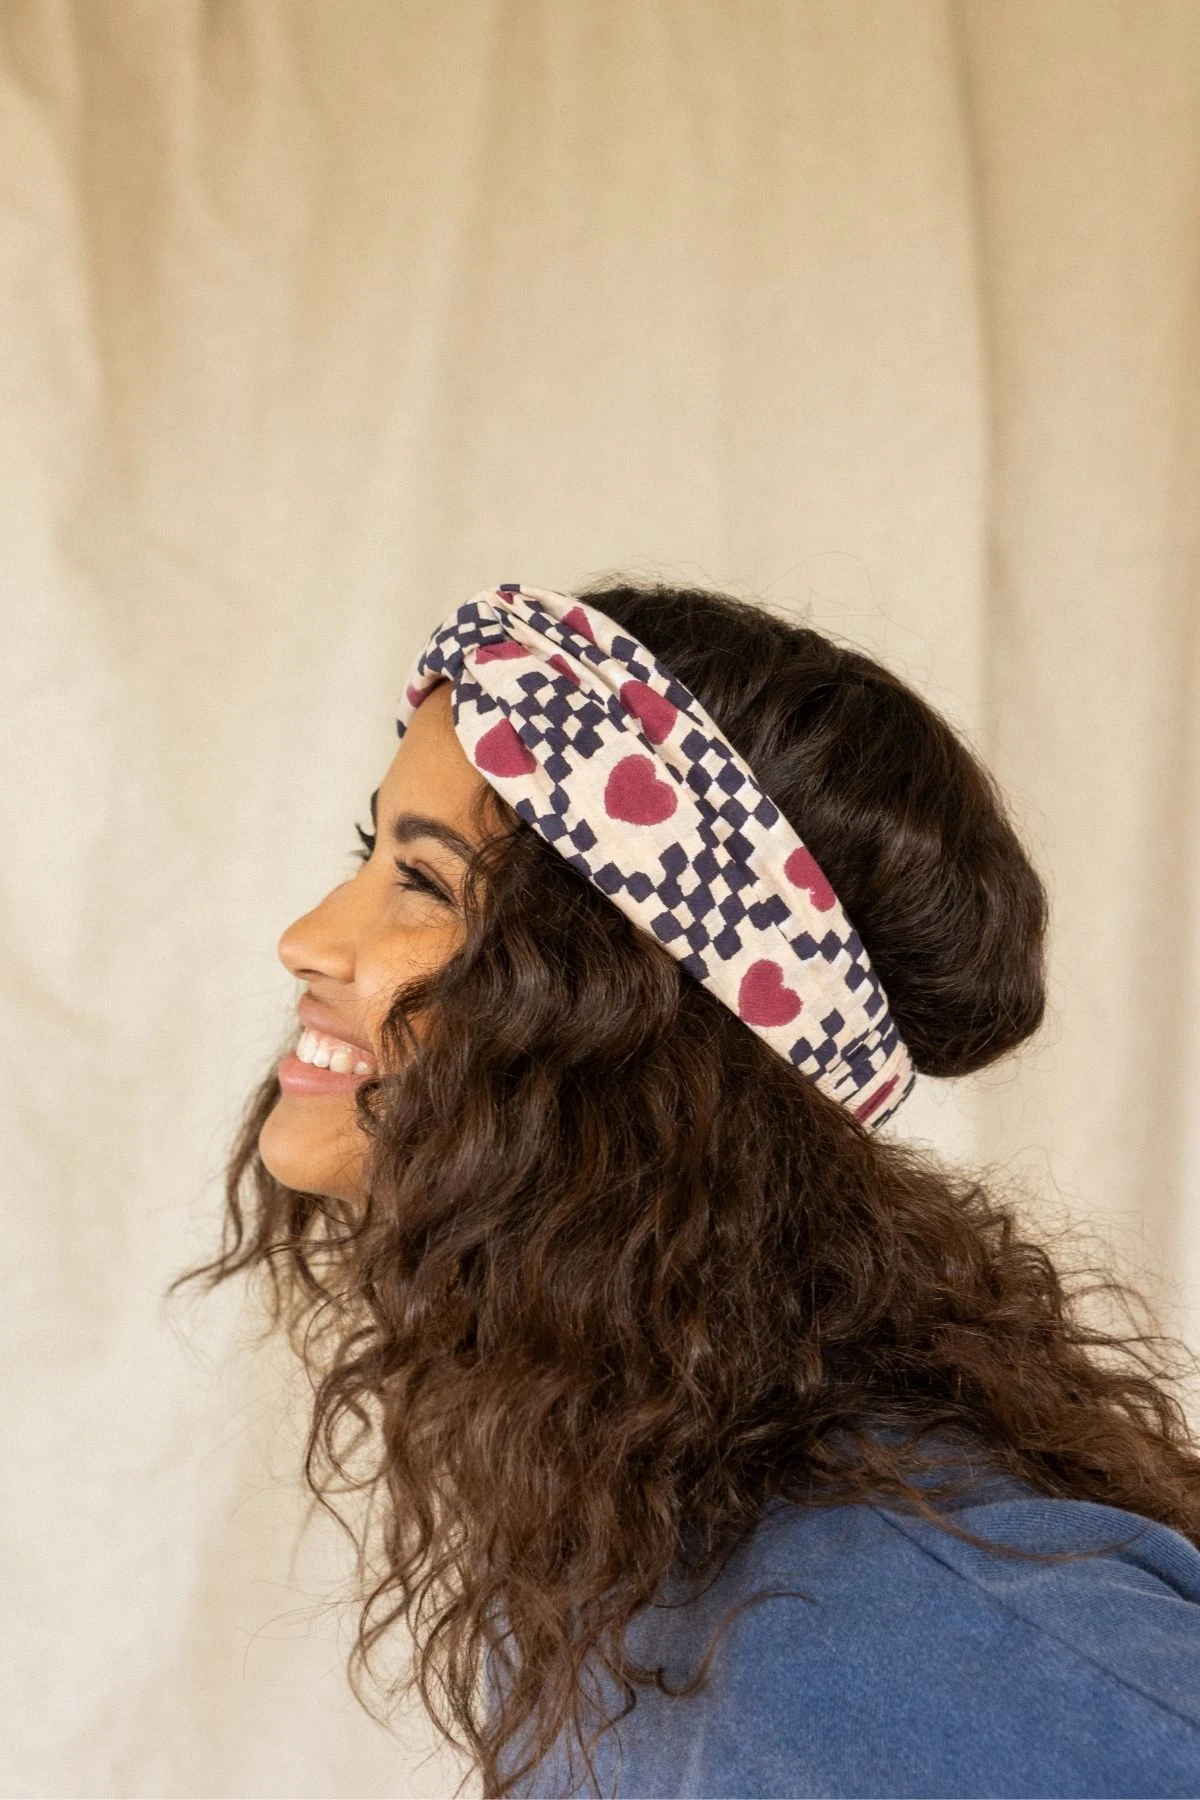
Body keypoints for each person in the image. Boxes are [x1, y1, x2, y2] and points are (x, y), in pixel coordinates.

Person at [178, 579, 1200, 1798]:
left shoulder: (928, 1623)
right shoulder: (616, 1502)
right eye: (371, 854)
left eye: (428, 883)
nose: (306, 937)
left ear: (625, 1030)